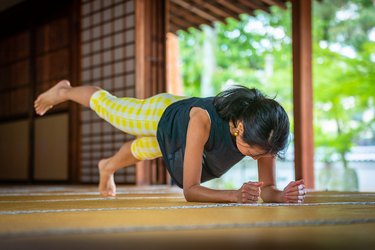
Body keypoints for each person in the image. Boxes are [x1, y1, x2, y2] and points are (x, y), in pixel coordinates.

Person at [34, 80, 306, 203]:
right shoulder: (202, 121)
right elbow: (190, 190)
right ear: (239, 127)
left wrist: (283, 195)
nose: (254, 158)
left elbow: (268, 189)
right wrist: (235, 195)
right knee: (111, 109)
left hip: (182, 125)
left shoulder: (264, 137)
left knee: (145, 149)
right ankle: (65, 91)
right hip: (163, 114)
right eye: (251, 152)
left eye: (260, 156)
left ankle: (107, 167)